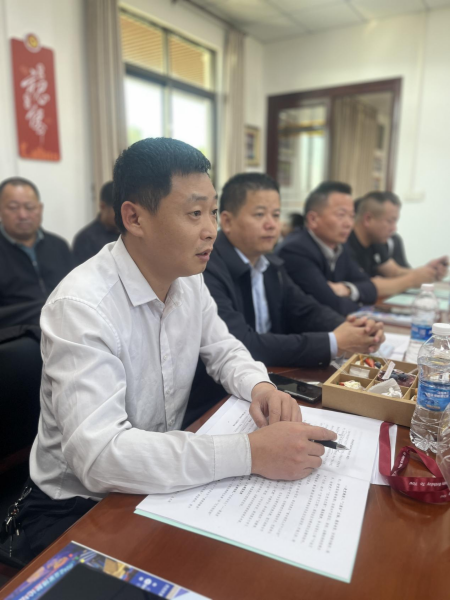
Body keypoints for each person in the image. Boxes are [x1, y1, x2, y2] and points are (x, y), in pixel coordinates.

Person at [6, 139, 337, 564]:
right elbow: (100, 457)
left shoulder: (188, 279)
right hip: (78, 506)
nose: (211, 229)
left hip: (157, 481)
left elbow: (223, 348)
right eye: (195, 213)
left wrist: (261, 387)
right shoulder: (81, 307)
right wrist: (252, 453)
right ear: (134, 217)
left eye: (213, 212)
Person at [203, 173, 384, 368]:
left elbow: (305, 310)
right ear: (227, 221)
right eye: (259, 214)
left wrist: (356, 329)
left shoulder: (271, 265)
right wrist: (333, 343)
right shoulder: (207, 268)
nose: (271, 224)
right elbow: (241, 344)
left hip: (271, 371)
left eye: (276, 215)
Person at [277, 181, 377, 316]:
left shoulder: (341, 248)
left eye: (352, 216)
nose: (349, 224)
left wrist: (347, 289)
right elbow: (332, 306)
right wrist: (360, 304)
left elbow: (371, 289)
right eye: (341, 215)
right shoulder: (295, 251)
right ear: (313, 219)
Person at [0, 177, 72, 325]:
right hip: (15, 332)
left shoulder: (59, 245)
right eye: (13, 207)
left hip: (64, 325)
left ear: (40, 209)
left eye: (29, 207)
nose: (23, 215)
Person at [348, 191, 448, 297]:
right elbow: (363, 287)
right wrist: (412, 280)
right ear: (368, 219)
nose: (394, 228)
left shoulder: (375, 240)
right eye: (390, 221)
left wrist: (428, 271)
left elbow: (394, 271)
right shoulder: (346, 244)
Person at [72, 181, 119, 265]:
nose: (124, 216)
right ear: (103, 206)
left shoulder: (129, 233)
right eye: (118, 211)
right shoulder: (85, 239)